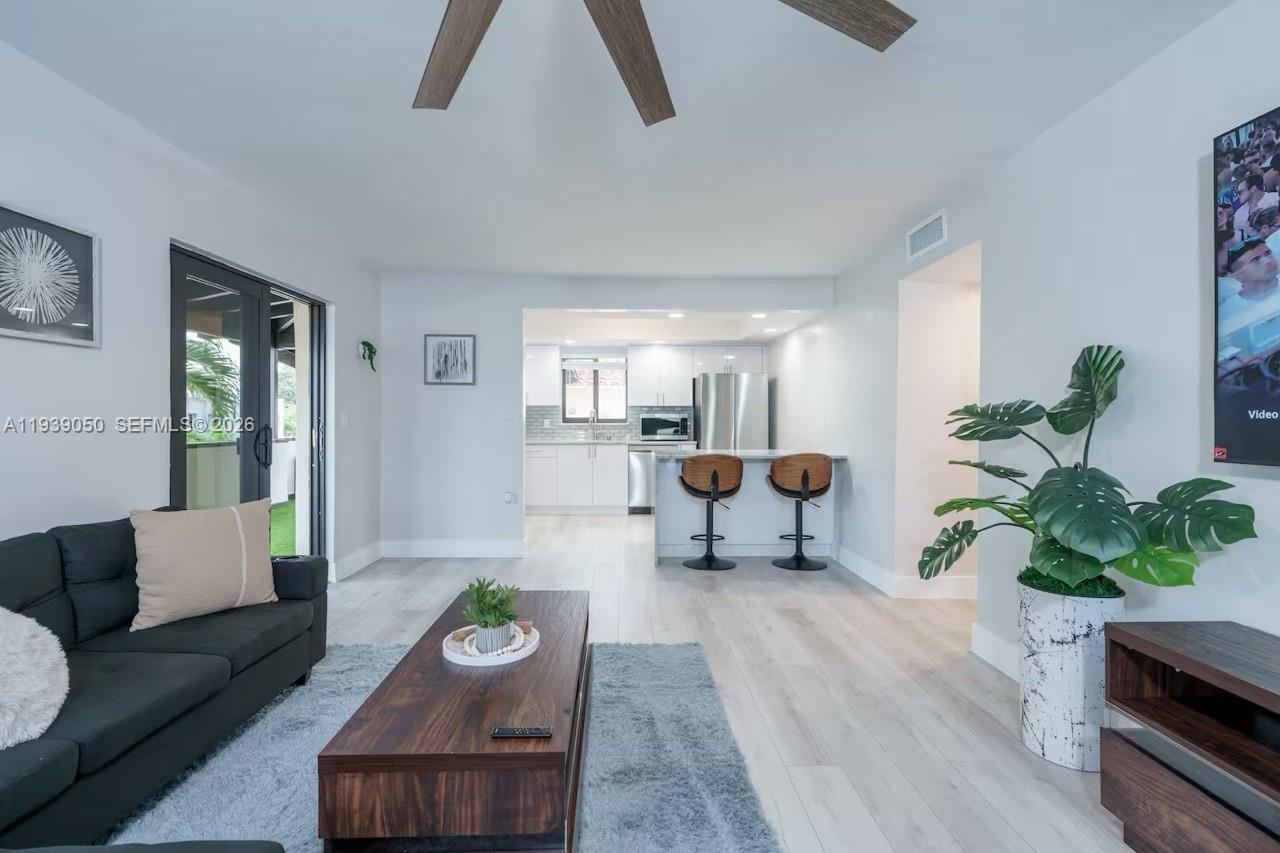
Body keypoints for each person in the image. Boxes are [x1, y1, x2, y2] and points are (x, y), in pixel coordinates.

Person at [1222, 238, 1280, 322]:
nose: (1268, 261)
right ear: (1239, 274)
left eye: (1268, 253)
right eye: (1256, 260)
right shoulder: (1230, 312)